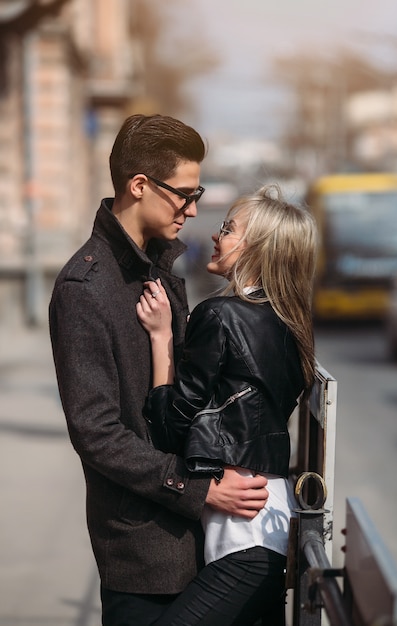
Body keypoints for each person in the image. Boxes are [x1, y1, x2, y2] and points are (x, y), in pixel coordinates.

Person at [48, 113, 269, 626]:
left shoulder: (162, 270)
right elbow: (96, 432)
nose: (193, 210)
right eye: (185, 194)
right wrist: (199, 490)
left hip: (204, 543)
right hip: (144, 556)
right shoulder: (84, 289)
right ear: (140, 185)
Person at [136, 183, 318, 625]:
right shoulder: (289, 324)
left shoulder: (220, 315)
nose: (215, 236)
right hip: (274, 526)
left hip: (247, 544)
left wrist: (161, 339)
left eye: (228, 229)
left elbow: (168, 427)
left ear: (256, 249)